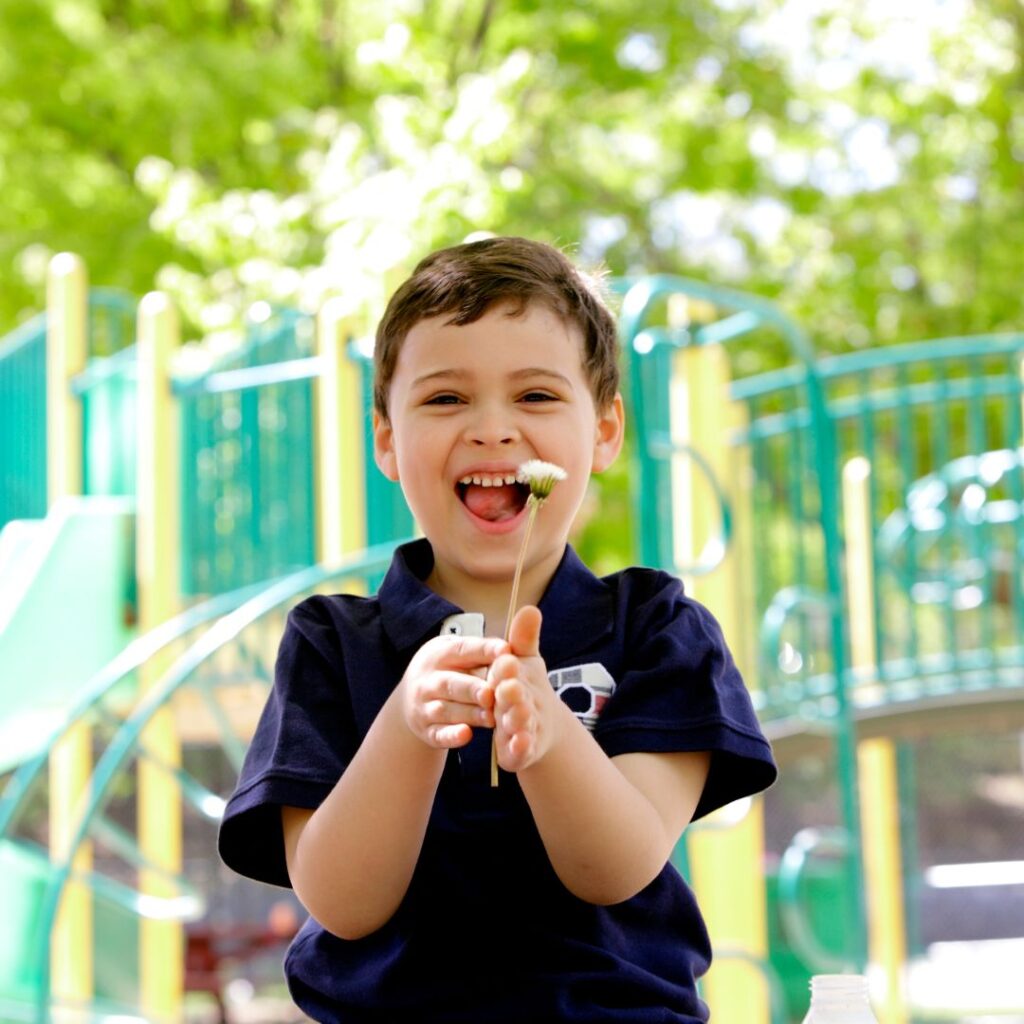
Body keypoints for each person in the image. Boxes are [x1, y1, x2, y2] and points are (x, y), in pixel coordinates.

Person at [218, 236, 777, 1022]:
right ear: (386, 437)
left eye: (537, 397)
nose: (492, 429)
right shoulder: (330, 643)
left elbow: (618, 866)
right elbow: (341, 902)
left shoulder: (659, 629)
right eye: (446, 399)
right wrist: (408, 727)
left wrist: (549, 736)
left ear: (605, 431)